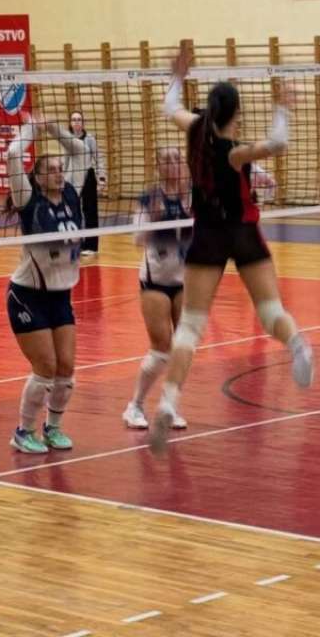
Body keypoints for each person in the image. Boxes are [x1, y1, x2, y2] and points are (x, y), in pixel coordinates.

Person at [149, 49, 314, 453]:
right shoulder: (234, 152)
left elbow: (170, 107)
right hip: (243, 233)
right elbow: (278, 143)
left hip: (207, 234)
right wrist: (283, 107)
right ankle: (297, 345)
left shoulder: (194, 130)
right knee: (271, 312)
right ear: (236, 114)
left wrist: (177, 76)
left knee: (190, 327)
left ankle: (169, 400)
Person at [5, 115, 88, 454]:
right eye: (50, 169)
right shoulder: (28, 199)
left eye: (59, 168)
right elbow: (13, 154)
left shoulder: (71, 193)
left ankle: (53, 428)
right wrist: (32, 128)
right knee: (46, 367)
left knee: (66, 367)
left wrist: (53, 127)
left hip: (61, 296)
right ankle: (23, 431)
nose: (58, 173)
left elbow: (80, 151)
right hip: (27, 296)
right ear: (37, 178)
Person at [123, 146, 192, 430]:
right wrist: (155, 219)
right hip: (155, 282)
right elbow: (136, 239)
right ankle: (135, 406)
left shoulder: (194, 197)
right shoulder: (150, 198)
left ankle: (169, 407)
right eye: (166, 160)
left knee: (184, 347)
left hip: (185, 281)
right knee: (162, 348)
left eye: (177, 159)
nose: (173, 164)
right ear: (158, 166)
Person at [67, 110, 107, 256]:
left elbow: (99, 158)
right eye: (74, 119)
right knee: (74, 211)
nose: (77, 122)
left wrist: (101, 178)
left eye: (79, 119)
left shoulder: (90, 139)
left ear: (83, 123)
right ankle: (77, 243)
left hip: (88, 176)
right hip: (72, 178)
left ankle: (91, 246)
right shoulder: (67, 140)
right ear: (70, 123)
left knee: (90, 211)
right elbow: (65, 161)